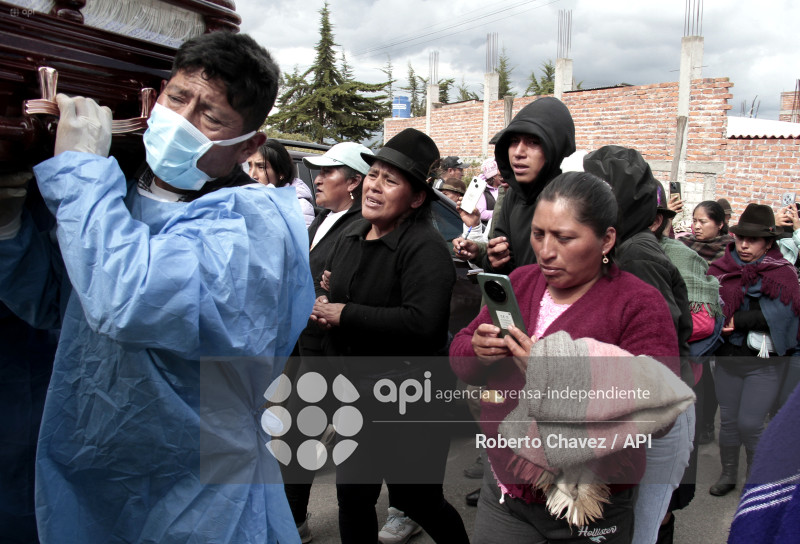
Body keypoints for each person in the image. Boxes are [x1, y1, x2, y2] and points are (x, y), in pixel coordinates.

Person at [0, 32, 315, 543]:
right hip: (102, 473)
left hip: (200, 487)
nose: (181, 123)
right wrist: (9, 227)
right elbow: (59, 302)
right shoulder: (116, 199)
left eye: (210, 117)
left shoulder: (252, 227)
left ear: (249, 146)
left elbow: (127, 299)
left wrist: (79, 171)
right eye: (177, 98)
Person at [450, 172, 684, 543]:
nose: (546, 251)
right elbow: (461, 360)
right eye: (539, 234)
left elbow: (659, 408)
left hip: (591, 501)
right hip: (507, 490)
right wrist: (477, 350)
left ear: (606, 239)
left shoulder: (638, 304)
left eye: (565, 238)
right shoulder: (521, 282)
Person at [310, 128, 469, 543]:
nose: (374, 186)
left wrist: (344, 313)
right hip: (354, 392)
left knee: (418, 500)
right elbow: (339, 291)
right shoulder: (353, 233)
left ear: (416, 198)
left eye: (390, 179)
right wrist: (329, 300)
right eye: (373, 174)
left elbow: (422, 325)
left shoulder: (425, 248)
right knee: (353, 496)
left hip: (408, 395)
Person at [582, 146, 693, 544]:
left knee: (639, 531)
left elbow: (657, 352)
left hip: (656, 418)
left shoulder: (635, 253)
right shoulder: (622, 248)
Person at [280, 141, 373, 542]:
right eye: (316, 171)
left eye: (329, 171)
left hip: (330, 348)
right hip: (304, 341)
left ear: (354, 182)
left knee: (306, 432)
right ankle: (293, 517)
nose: (317, 178)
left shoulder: (360, 225)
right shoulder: (324, 218)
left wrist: (332, 298)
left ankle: (293, 519)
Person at [707, 203, 800, 497]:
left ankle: (756, 480)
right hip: (727, 360)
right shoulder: (720, 269)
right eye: (740, 238)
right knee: (730, 423)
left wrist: (739, 318)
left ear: (768, 242)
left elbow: (785, 316)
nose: (744, 244)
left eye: (753, 239)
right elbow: (708, 307)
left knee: (751, 423)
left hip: (764, 364)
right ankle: (728, 474)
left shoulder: (782, 273)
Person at [452, 97, 576, 273]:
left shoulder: (573, 201)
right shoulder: (514, 195)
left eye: (534, 142)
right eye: (514, 141)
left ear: (555, 147)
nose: (518, 152)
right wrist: (488, 256)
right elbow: (506, 266)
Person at [248, 138, 315, 226]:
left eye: (261, 167)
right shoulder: (246, 198)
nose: (252, 175)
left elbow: (303, 239)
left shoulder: (299, 207)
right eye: (250, 166)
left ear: (281, 173)